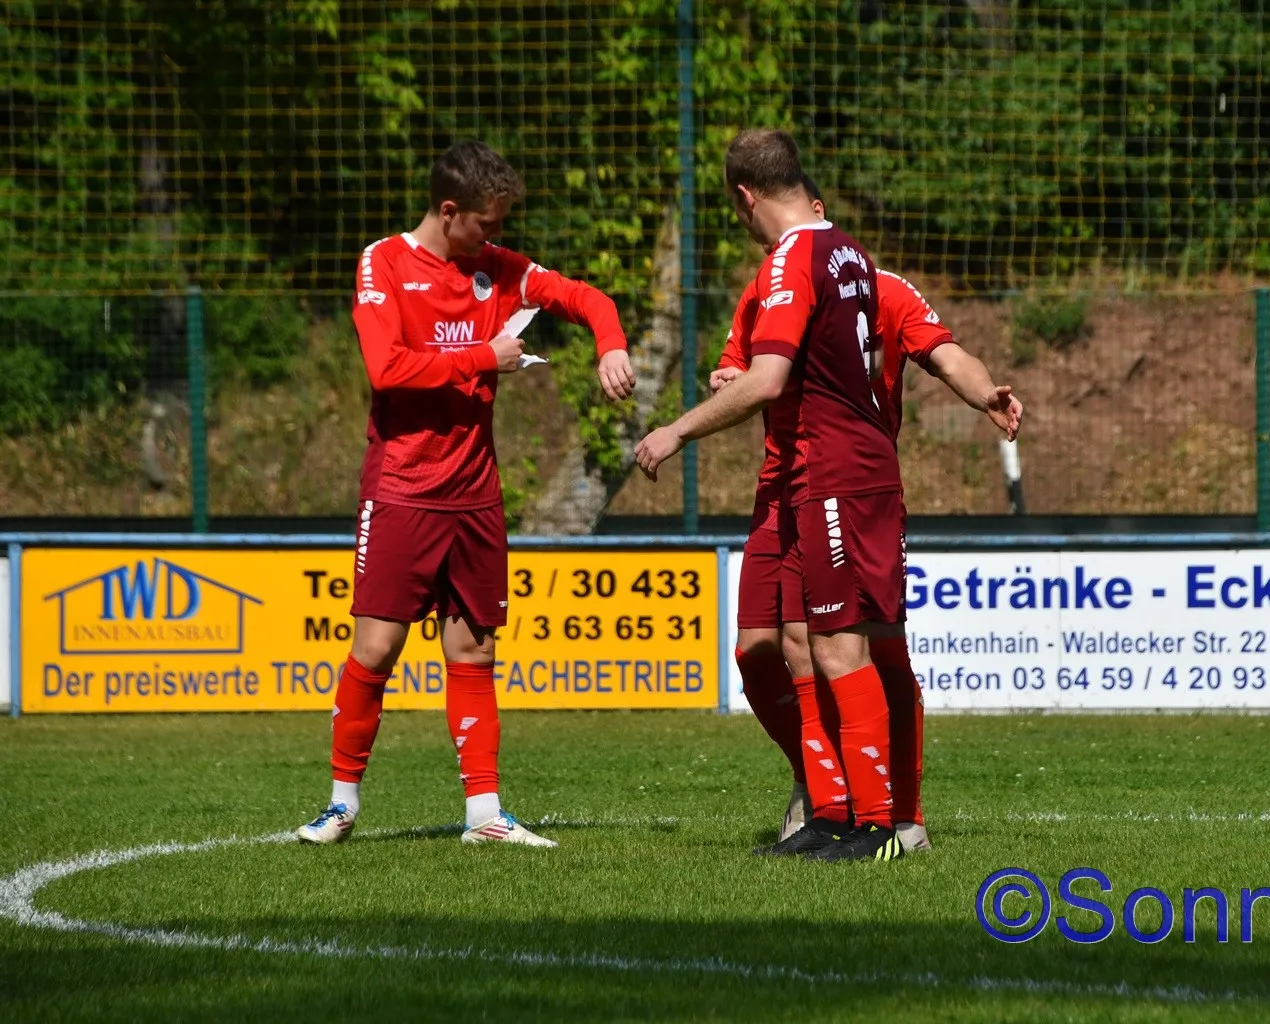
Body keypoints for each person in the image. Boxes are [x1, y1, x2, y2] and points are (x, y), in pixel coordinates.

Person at [297, 140, 635, 847]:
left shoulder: (499, 268)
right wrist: (485, 356)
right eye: (487, 223)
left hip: (475, 494)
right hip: (402, 487)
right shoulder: (384, 263)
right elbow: (387, 369)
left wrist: (610, 344)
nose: (496, 236)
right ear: (449, 211)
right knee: (377, 648)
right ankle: (340, 804)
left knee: (475, 651)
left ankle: (484, 816)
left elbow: (585, 297)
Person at [714, 178, 1022, 855]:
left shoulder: (885, 290)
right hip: (781, 486)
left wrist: (985, 395)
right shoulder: (769, 285)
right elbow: (737, 366)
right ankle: (822, 782)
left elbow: (948, 355)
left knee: (869, 647)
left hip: (849, 483)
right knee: (759, 648)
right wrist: (729, 379)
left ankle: (897, 815)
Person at [636, 129, 904, 861]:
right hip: (825, 467)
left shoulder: (793, 256)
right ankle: (832, 812)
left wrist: (676, 430)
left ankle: (878, 825)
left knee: (839, 646)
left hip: (833, 469)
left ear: (744, 196)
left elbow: (770, 379)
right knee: (798, 644)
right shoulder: (848, 250)